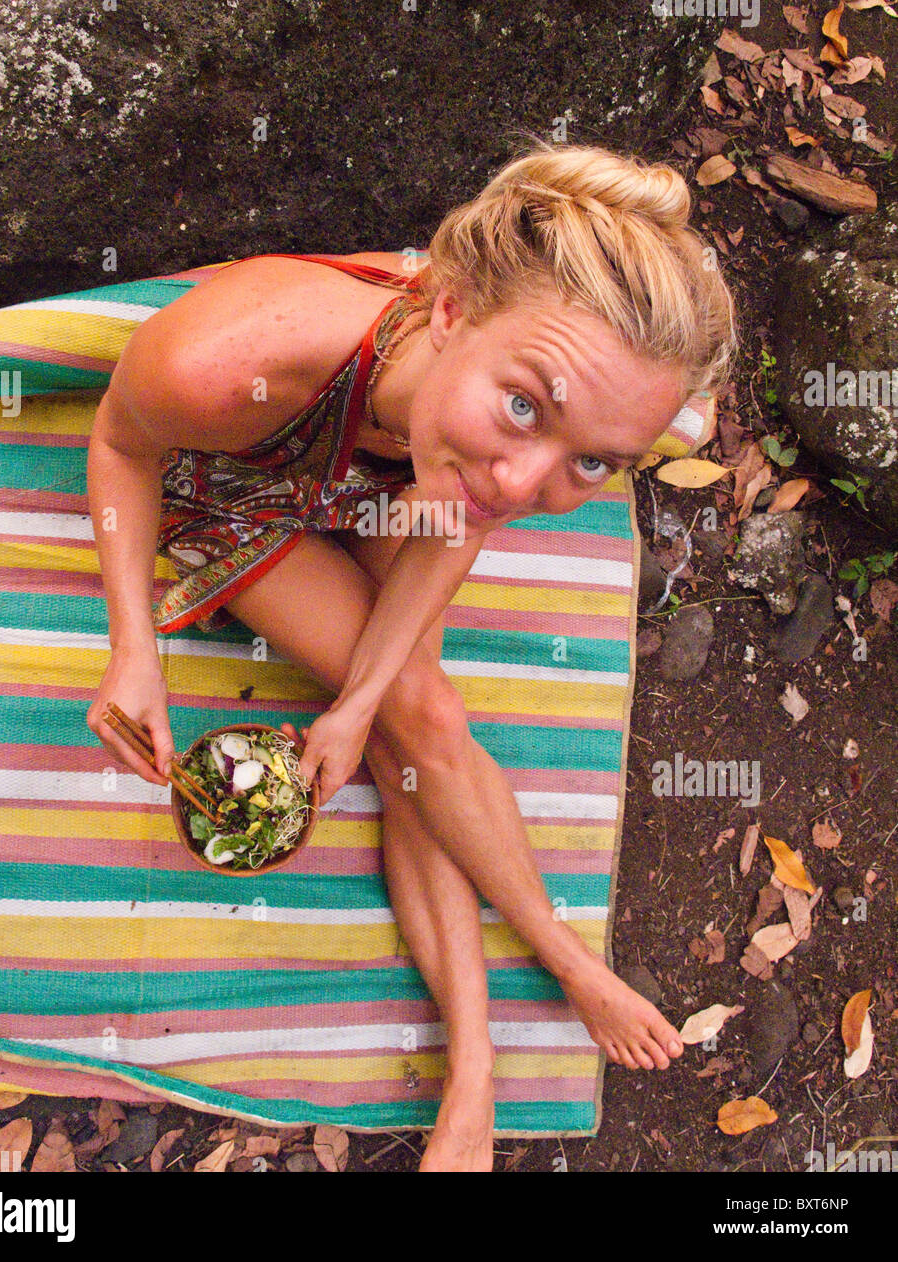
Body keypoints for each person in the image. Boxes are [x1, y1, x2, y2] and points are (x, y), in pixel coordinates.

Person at [87, 137, 737, 1172]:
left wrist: (351, 708)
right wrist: (133, 650)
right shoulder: (225, 362)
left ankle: (483, 1054)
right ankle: (522, 1006)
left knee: (409, 720)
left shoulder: (484, 452)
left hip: (388, 482)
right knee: (420, 717)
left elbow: (460, 519)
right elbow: (122, 444)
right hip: (234, 491)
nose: (527, 484)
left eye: (593, 462)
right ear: (448, 310)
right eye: (525, 405)